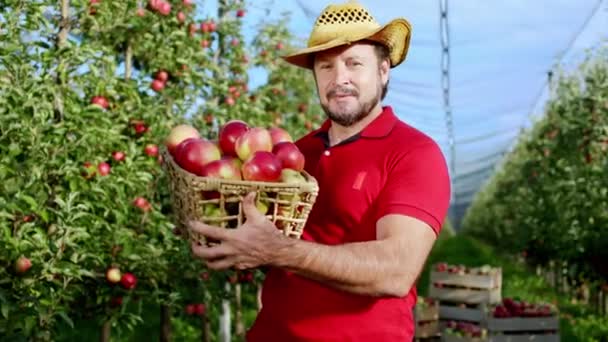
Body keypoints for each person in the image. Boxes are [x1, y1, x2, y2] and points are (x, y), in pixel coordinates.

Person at [187, 1, 451, 340]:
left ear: (383, 70)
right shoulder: (295, 155)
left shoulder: (414, 153)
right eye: (326, 66)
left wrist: (279, 250)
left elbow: (396, 271)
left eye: (354, 63)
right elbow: (269, 240)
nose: (339, 78)